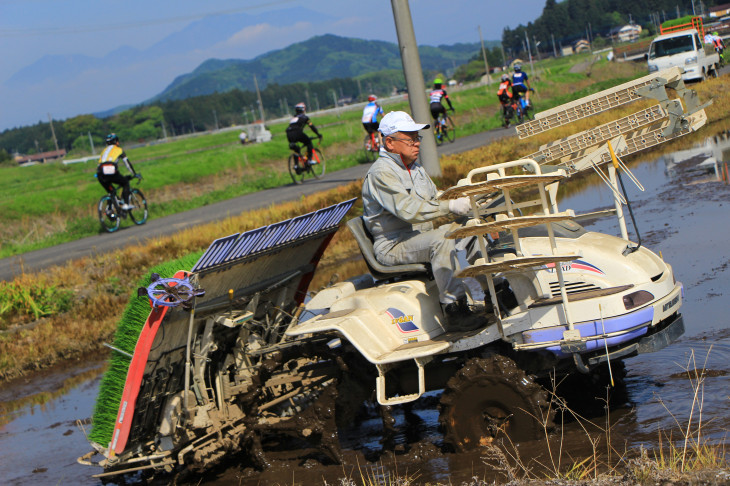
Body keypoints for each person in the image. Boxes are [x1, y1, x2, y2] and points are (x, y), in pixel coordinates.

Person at [361, 111, 480, 329]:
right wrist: (450, 206)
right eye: (410, 139)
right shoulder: (381, 173)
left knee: (470, 228)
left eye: (417, 138)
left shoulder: (414, 168)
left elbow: (435, 197)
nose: (417, 144)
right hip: (393, 245)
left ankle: (497, 289)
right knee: (442, 238)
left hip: (418, 237)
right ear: (390, 142)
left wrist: (461, 197)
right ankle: (454, 310)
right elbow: (409, 211)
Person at [97, 133, 140, 210]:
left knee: (112, 191)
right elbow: (127, 163)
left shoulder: (103, 151)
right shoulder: (119, 150)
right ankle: (126, 205)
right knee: (125, 183)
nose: (118, 143)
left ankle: (110, 210)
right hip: (110, 170)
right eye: (117, 141)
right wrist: (134, 174)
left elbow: (100, 163)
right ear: (115, 141)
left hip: (100, 172)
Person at [286, 102, 321, 167]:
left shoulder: (293, 118)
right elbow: (312, 126)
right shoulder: (305, 118)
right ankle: (309, 159)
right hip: (297, 132)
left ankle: (296, 165)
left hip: (289, 133)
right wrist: (318, 134)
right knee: (308, 142)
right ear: (303, 109)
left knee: (296, 149)